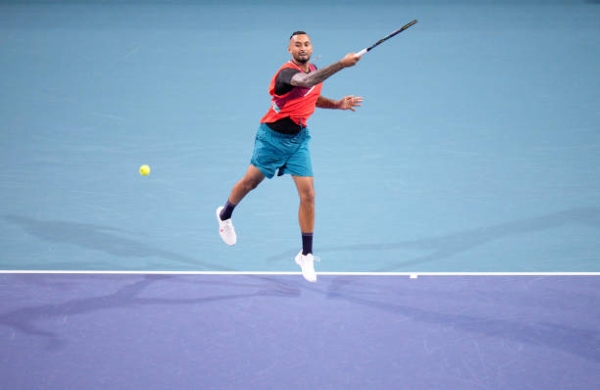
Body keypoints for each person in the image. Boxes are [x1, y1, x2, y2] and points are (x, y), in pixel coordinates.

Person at [216, 31, 363, 282]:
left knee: (309, 194)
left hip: (298, 141)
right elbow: (306, 83)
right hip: (271, 140)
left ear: (311, 47)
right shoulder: (286, 74)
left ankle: (305, 255)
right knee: (249, 183)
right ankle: (225, 215)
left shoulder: (313, 70)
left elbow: (312, 95)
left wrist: (338, 104)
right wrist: (342, 64)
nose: (302, 48)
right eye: (297, 45)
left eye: (306, 44)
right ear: (289, 49)